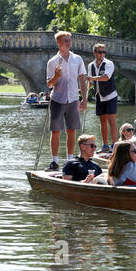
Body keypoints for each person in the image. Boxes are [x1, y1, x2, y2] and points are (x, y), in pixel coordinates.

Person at [46, 31, 87, 171]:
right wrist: (56, 76)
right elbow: (49, 84)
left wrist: (84, 99)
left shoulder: (78, 59)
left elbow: (82, 79)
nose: (68, 43)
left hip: (74, 99)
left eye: (69, 40)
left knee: (71, 130)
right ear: (58, 43)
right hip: (57, 99)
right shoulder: (52, 62)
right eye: (65, 40)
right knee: (56, 131)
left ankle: (70, 159)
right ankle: (55, 161)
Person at [87, 43, 118, 153]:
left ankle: (114, 146)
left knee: (112, 121)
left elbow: (105, 77)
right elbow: (90, 82)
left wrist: (92, 78)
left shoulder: (109, 63)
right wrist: (84, 97)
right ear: (95, 53)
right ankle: (105, 145)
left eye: (104, 52)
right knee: (103, 122)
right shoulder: (91, 65)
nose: (102, 54)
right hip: (99, 96)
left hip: (110, 95)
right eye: (100, 52)